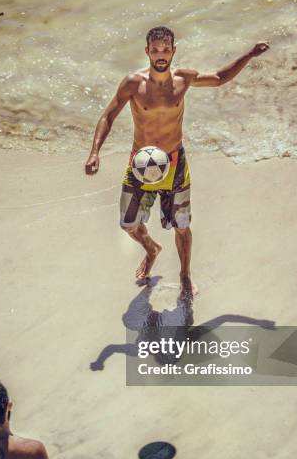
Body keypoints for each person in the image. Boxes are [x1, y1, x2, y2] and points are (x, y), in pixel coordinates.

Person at [84, 25, 269, 299]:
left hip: (174, 163)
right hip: (141, 163)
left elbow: (219, 77)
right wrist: (94, 151)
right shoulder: (133, 83)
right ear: (147, 51)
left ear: (173, 50)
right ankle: (151, 249)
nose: (161, 54)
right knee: (128, 223)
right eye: (156, 50)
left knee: (182, 225)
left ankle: (184, 274)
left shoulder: (184, 78)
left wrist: (250, 54)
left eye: (166, 49)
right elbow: (107, 116)